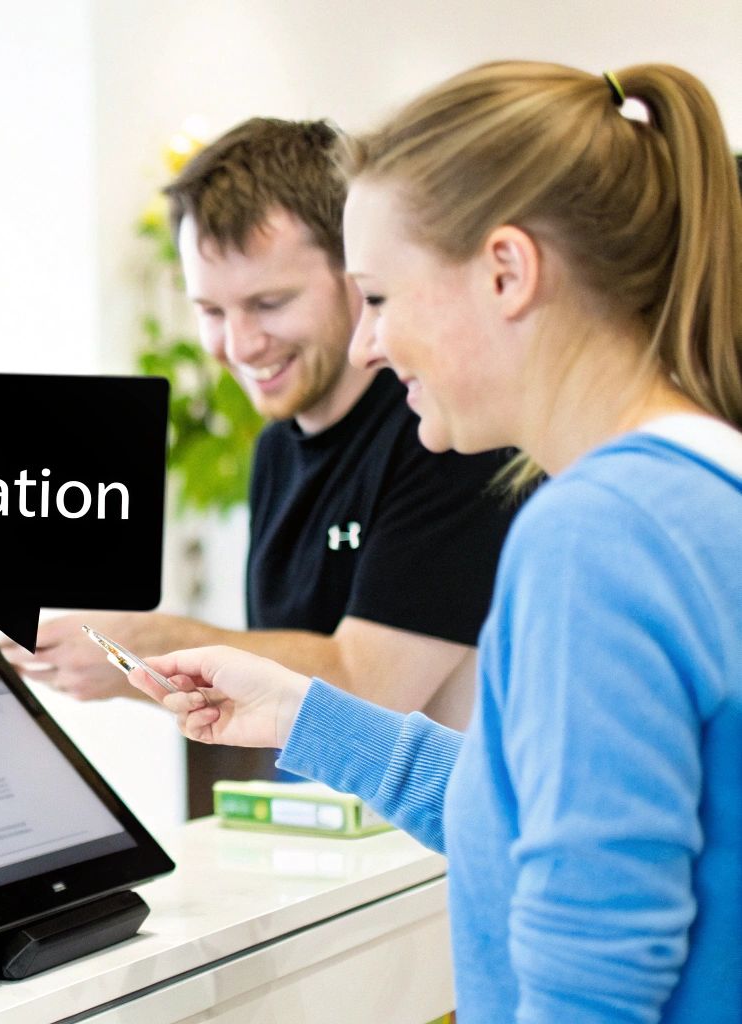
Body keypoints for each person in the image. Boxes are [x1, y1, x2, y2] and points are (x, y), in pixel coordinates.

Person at [127, 62, 741, 1022]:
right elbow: (536, 818)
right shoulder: (703, 487)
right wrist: (307, 712)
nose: (368, 346)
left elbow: (597, 980)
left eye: (378, 298)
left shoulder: (594, 538)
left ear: (506, 271)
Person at [4, 118, 517, 807]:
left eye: (270, 304)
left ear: (355, 278)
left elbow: (365, 690)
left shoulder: (447, 434)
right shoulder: (277, 449)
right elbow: (286, 708)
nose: (240, 344)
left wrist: (151, 643)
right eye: (211, 310)